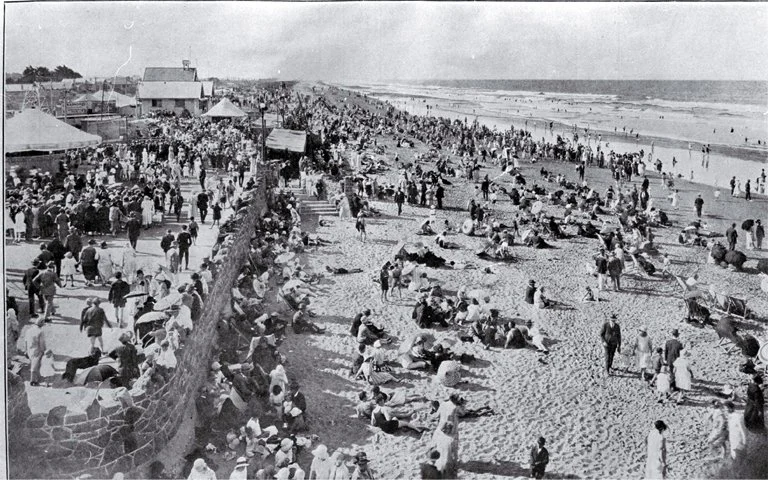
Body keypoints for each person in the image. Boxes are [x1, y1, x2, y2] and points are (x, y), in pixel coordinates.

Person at [25, 316, 47, 386]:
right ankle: (33, 380)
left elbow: (26, 341)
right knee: (35, 366)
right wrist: (44, 351)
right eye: (43, 322)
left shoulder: (29, 330)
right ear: (41, 323)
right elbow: (42, 343)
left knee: (33, 363)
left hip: (29, 349)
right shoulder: (40, 332)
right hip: (37, 350)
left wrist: (26, 350)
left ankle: (36, 377)